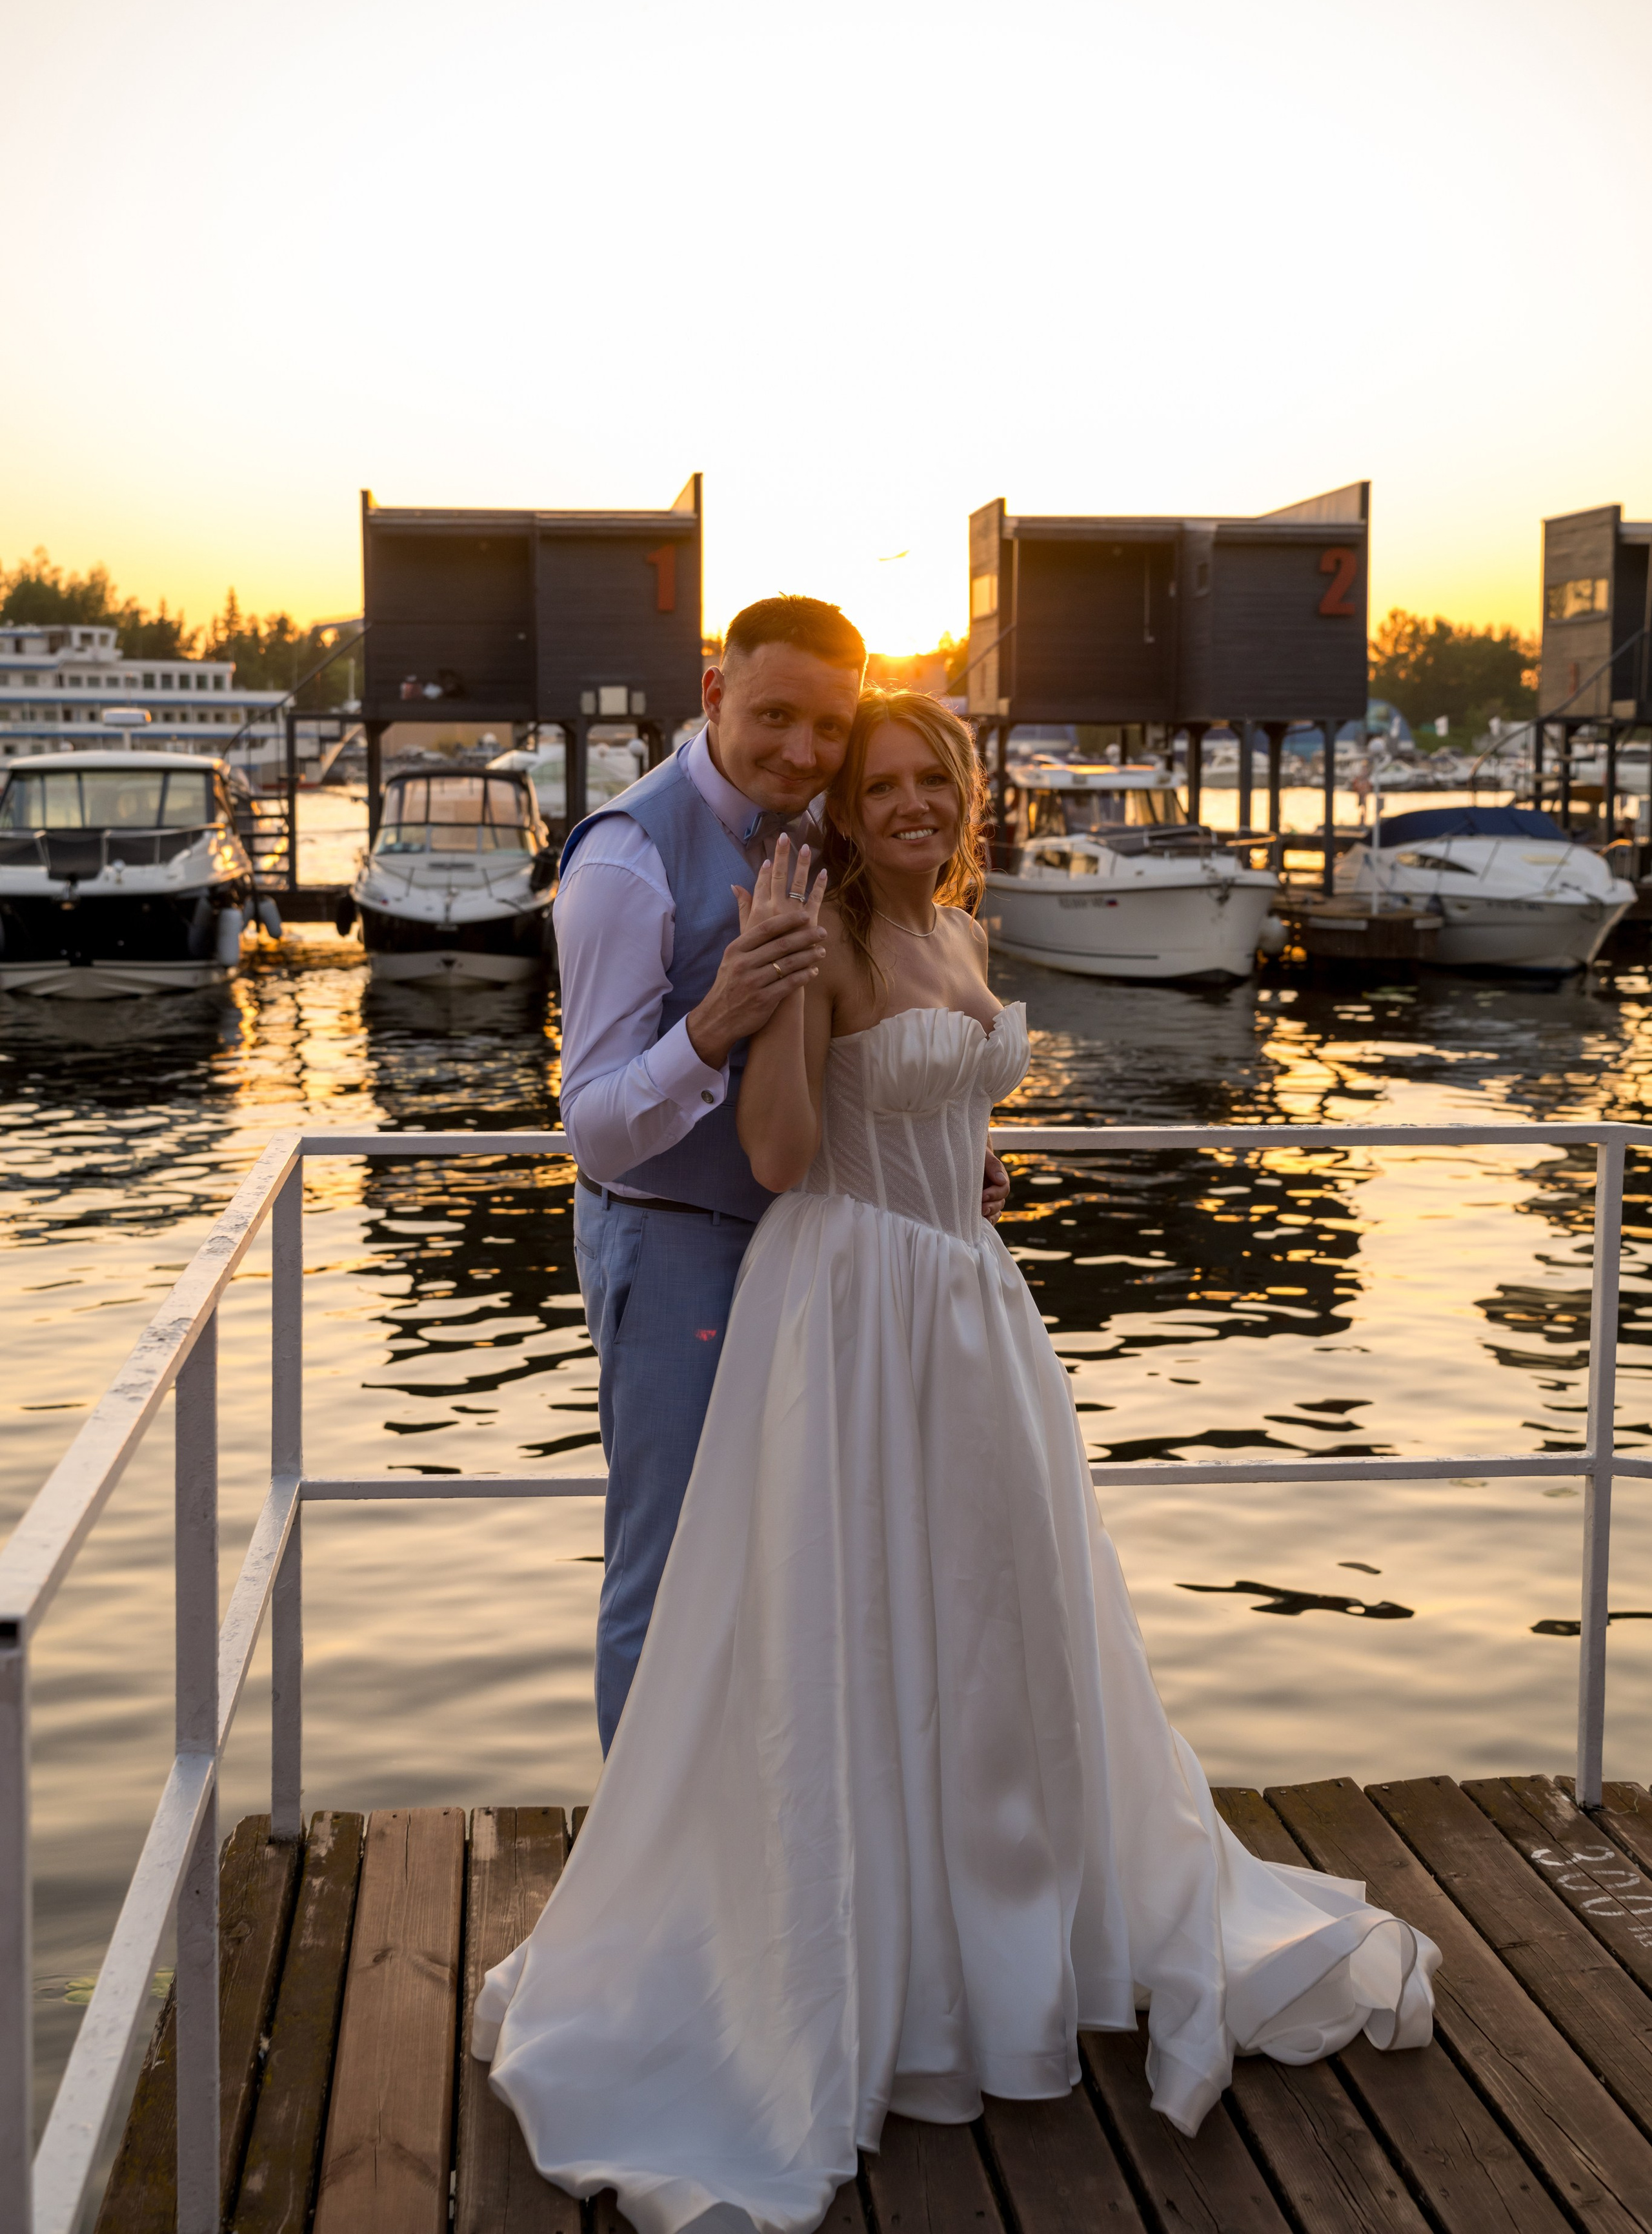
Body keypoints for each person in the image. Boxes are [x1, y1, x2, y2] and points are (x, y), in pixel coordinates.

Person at [481, 690, 1438, 2234]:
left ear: (967, 793)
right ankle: (860, 1964)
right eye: (882, 782)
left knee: (998, 1625)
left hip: (969, 1301)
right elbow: (785, 1155)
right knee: (848, 1625)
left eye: (937, 777)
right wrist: (763, 985)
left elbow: (942, 1111)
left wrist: (960, 1159)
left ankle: (998, 1919)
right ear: (843, 811)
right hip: (848, 1308)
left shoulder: (970, 941)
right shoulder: (829, 937)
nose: (912, 801)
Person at [554, 604, 1008, 1746]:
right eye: (773, 718)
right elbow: (598, 1133)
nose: (804, 754)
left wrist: (941, 1141)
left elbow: (870, 1022)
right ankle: (642, 1875)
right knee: (671, 1563)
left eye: (825, 726)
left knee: (811, 1561)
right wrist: (714, 1023)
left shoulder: (821, 822)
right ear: (714, 695)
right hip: (677, 1241)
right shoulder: (627, 861)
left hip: (832, 1251)